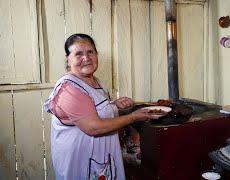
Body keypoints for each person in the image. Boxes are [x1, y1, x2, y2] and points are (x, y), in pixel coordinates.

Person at [43, 33, 153, 180]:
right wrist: (133, 117)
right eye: (78, 54)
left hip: (99, 161)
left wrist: (114, 105)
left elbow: (93, 109)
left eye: (90, 52)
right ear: (68, 59)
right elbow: (93, 127)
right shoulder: (69, 88)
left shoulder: (96, 82)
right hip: (80, 163)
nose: (86, 58)